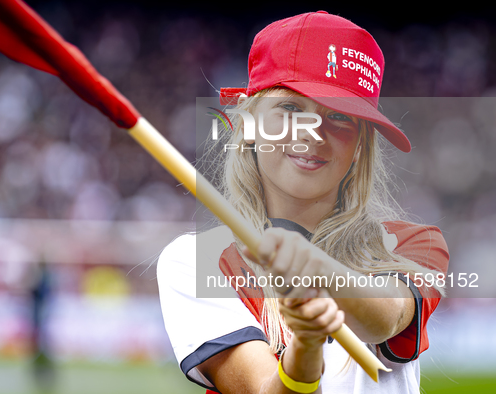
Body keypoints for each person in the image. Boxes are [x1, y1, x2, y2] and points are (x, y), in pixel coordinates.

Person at [157, 11, 449, 394]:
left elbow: (386, 319)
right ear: (247, 123)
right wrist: (306, 346)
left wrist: (315, 268)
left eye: (340, 118)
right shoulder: (194, 260)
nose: (313, 135)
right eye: (291, 109)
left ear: (360, 145)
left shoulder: (413, 243)